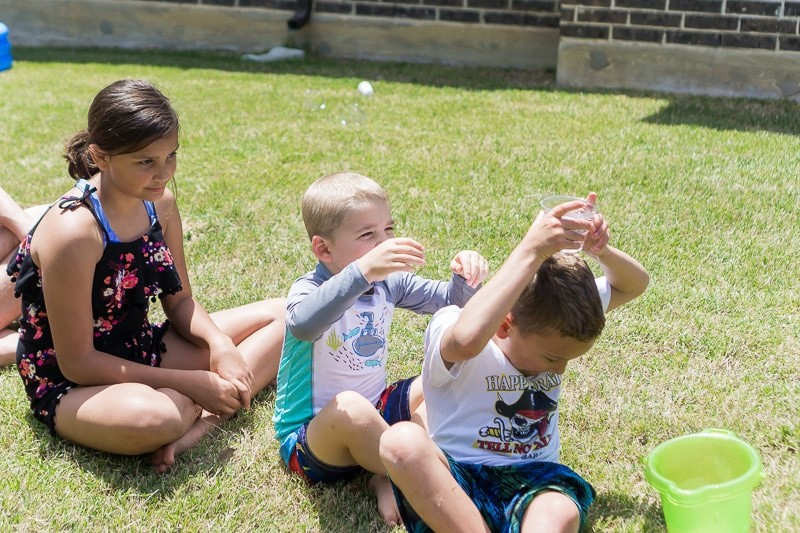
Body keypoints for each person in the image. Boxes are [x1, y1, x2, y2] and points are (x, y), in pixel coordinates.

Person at [5, 79, 286, 474]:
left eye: (170, 156)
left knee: (291, 317)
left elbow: (181, 301)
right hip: (74, 382)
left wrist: (219, 345)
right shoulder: (74, 233)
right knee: (153, 420)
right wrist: (187, 381)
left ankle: (204, 418)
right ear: (100, 157)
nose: (163, 173)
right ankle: (194, 403)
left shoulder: (160, 205)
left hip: (140, 347)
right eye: (145, 162)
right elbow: (77, 362)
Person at [379, 193, 649, 532]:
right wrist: (530, 250)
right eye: (552, 357)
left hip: (533, 479)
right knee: (400, 442)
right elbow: (466, 341)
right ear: (506, 325)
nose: (559, 370)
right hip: (455, 480)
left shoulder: (555, 316)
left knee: (558, 511)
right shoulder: (453, 323)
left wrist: (602, 251)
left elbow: (634, 284)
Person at [272, 172, 489, 527]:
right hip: (311, 438)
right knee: (351, 409)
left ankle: (385, 472)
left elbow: (448, 302)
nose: (386, 242)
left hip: (379, 407)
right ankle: (425, 473)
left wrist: (464, 280)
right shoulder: (309, 289)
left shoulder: (388, 283)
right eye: (367, 235)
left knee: (437, 379)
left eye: (389, 229)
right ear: (323, 249)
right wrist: (361, 272)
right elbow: (303, 325)